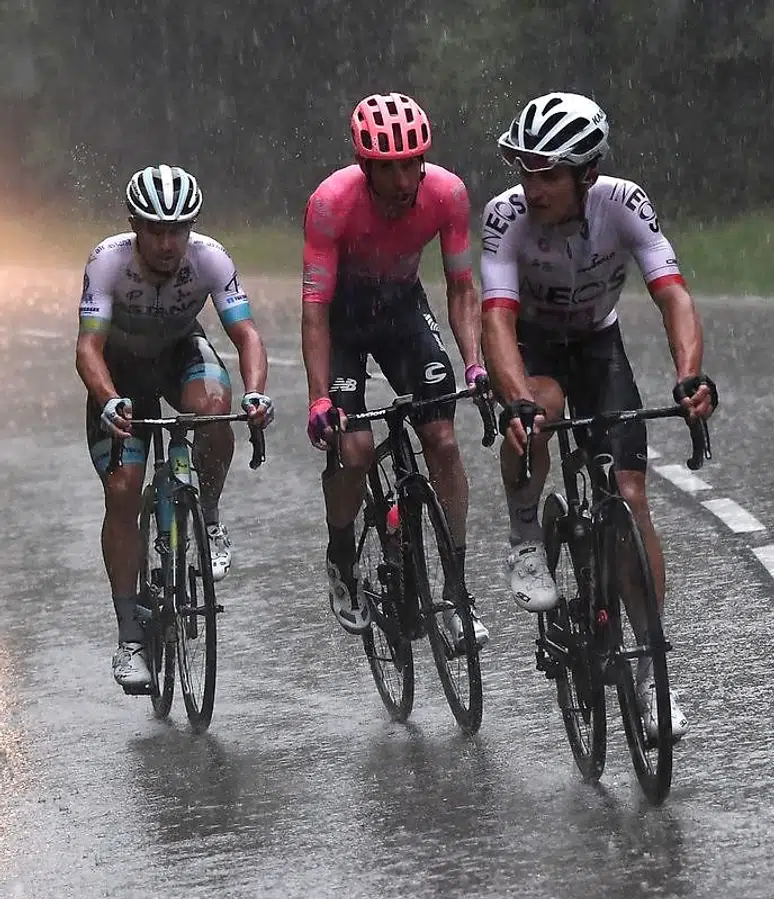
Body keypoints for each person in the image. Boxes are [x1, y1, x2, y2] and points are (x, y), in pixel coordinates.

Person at [479, 92, 718, 740]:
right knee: (543, 409)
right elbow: (495, 318)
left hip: (596, 344)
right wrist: (515, 399)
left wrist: (689, 376)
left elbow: (674, 296)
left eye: (548, 173)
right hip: (531, 346)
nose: (532, 187)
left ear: (586, 173)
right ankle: (526, 537)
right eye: (525, 170)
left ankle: (651, 673)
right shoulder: (506, 215)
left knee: (631, 497)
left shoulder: (624, 204)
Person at [77, 164, 274, 689]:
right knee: (123, 491)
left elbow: (246, 334)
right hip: (120, 372)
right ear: (135, 226)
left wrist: (255, 391)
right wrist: (108, 400)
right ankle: (130, 638)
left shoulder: (210, 258)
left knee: (214, 407)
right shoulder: (108, 261)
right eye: (156, 230)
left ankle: (208, 517)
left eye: (178, 230)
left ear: (192, 228)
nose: (167, 244)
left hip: (179, 354)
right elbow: (88, 346)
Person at [301, 91, 488, 646]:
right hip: (344, 319)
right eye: (390, 168)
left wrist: (473, 364)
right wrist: (319, 398)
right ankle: (342, 556)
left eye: (413, 163)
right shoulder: (331, 203)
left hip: (403, 310)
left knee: (443, 440)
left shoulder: (447, 193)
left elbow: (461, 288)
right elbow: (315, 311)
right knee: (355, 450)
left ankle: (455, 589)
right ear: (365, 165)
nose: (405, 179)